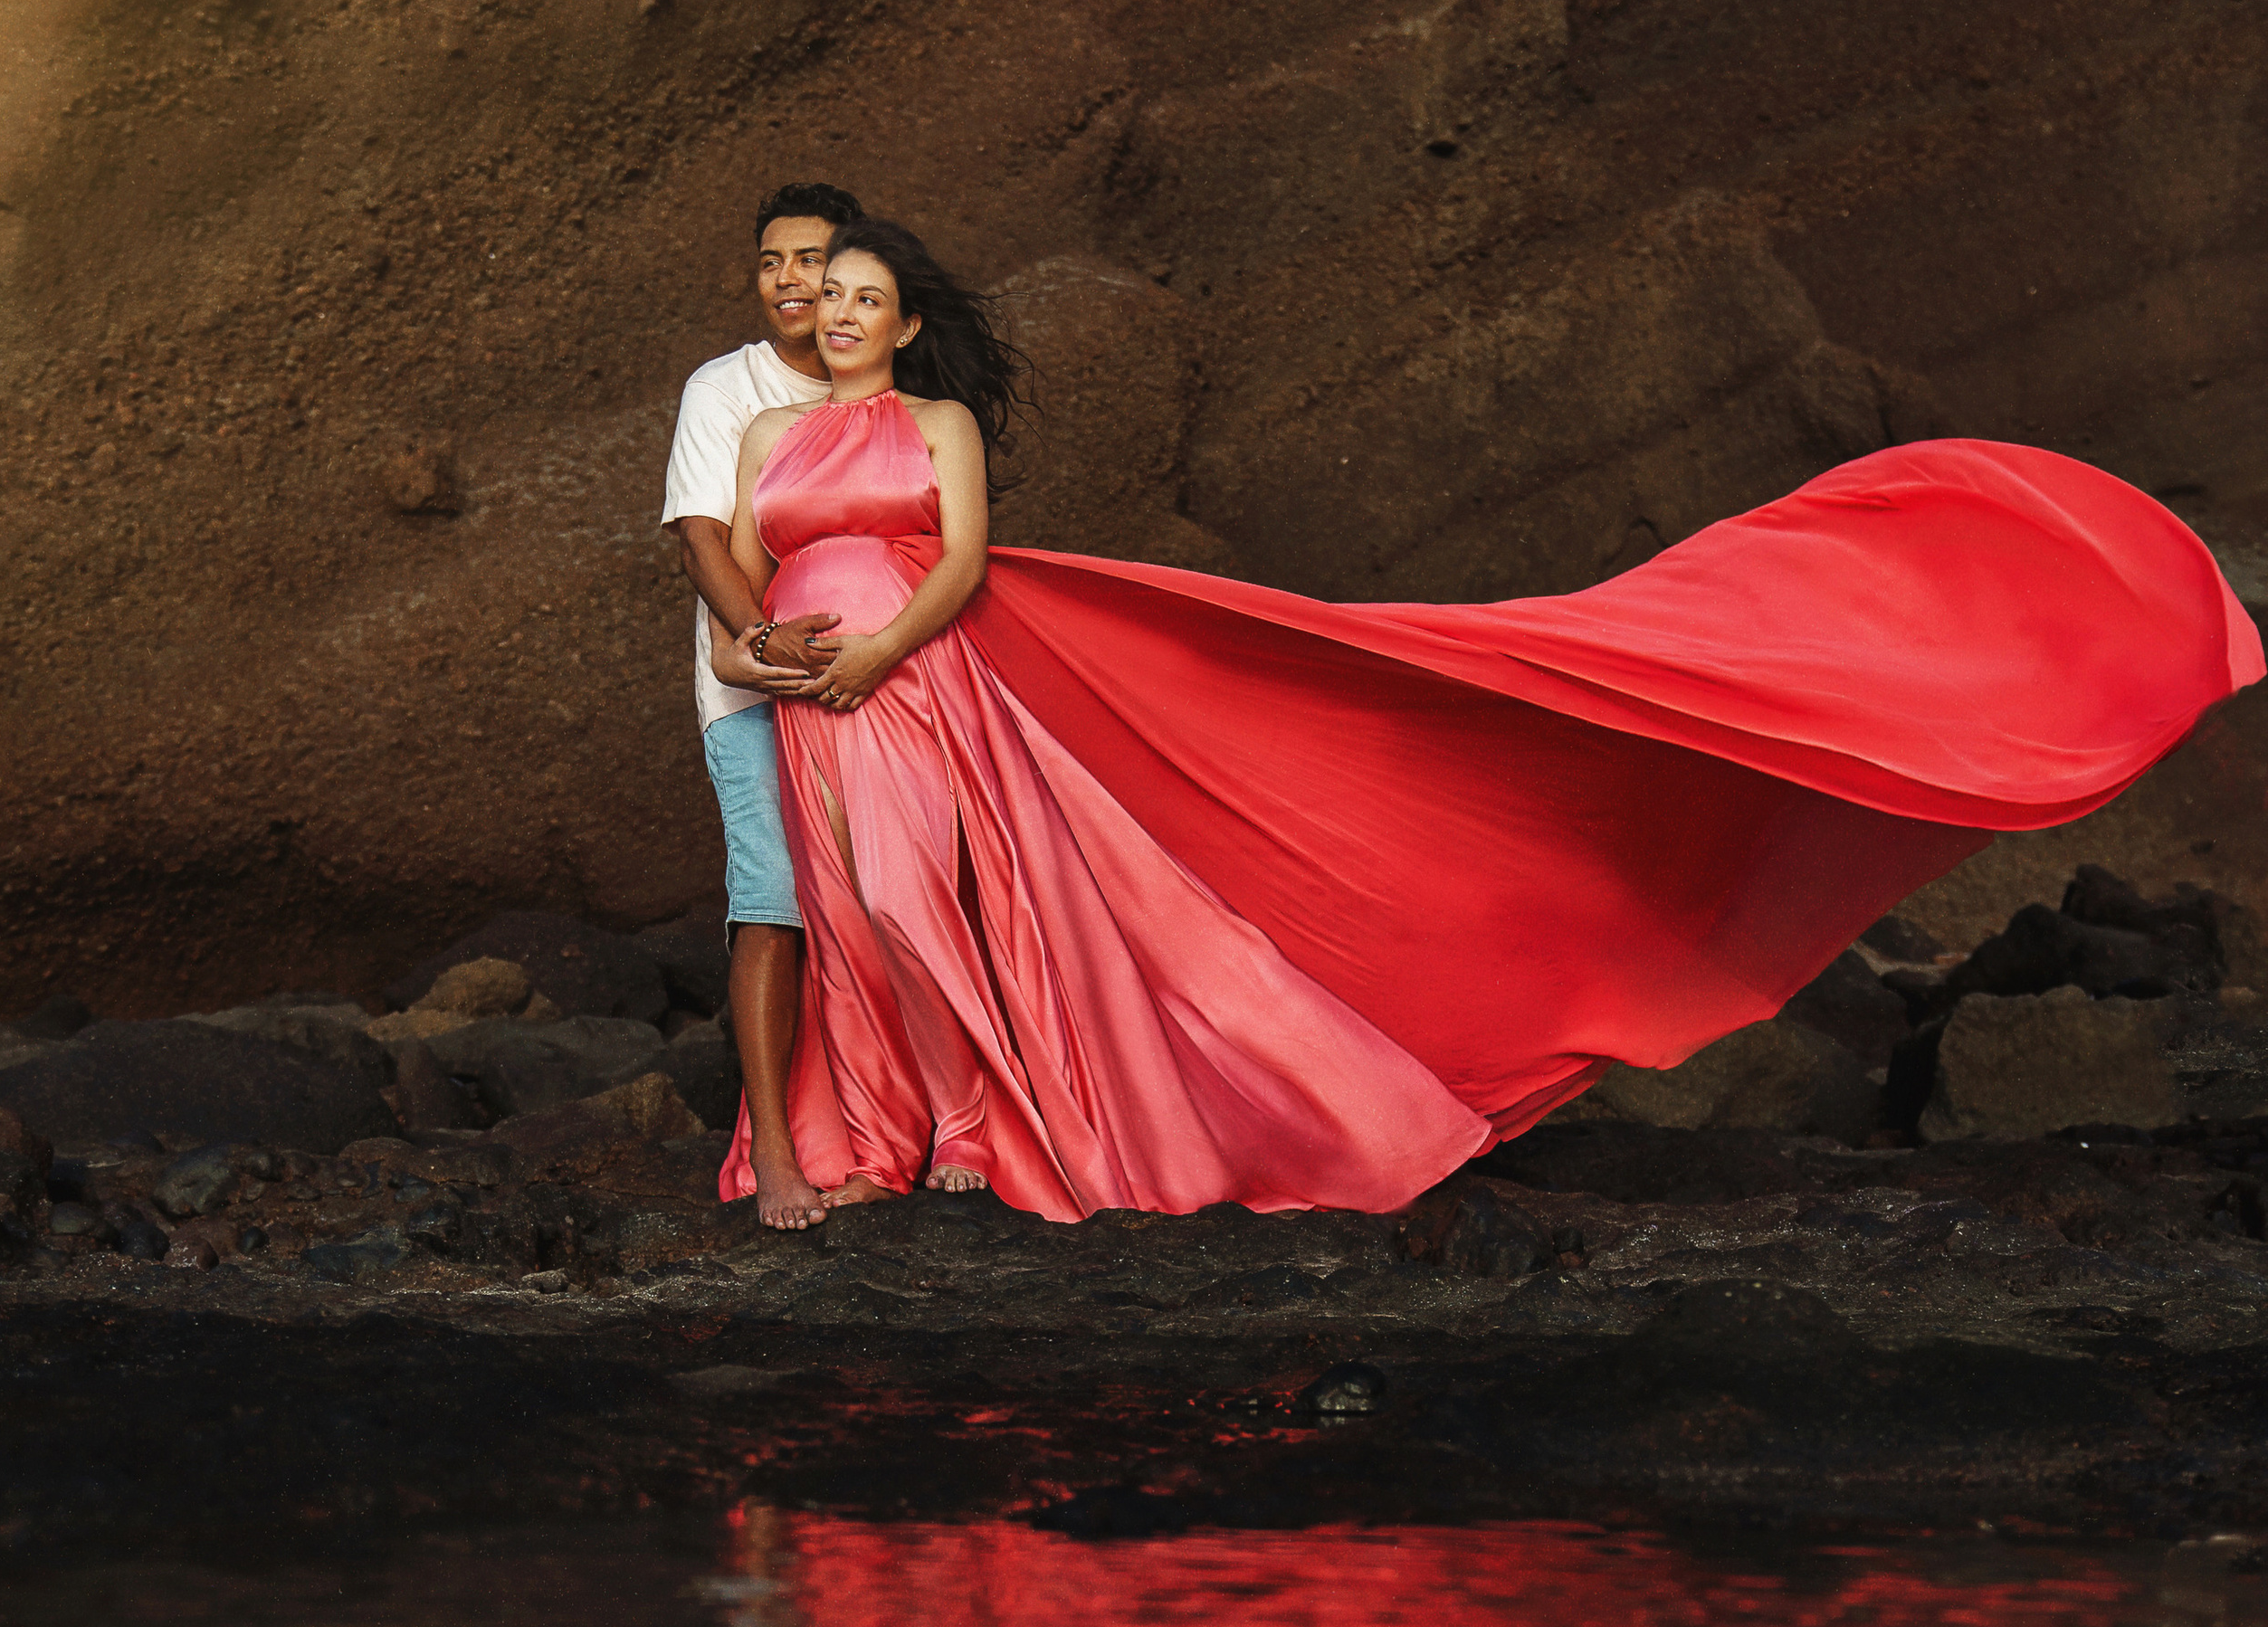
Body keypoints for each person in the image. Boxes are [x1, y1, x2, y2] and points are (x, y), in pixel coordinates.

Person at [715, 217, 2264, 1224]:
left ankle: (983, 1133)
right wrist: (771, 656)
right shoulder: (771, 427)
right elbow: (745, 555)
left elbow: (969, 559)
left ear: (910, 324)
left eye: (867, 298)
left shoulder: (939, 423)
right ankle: (874, 1144)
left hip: (919, 676)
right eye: (824, 298)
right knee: (848, 913)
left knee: (919, 905)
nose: (840, 315)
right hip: (811, 689)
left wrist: (877, 653)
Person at [660, 179, 862, 1229]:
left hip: (874, 687)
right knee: (775, 901)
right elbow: (699, 535)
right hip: (753, 693)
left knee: (889, 905)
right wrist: (757, 640)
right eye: (773, 262)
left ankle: (884, 1134)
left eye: (813, 261)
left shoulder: (875, 380)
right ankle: (777, 1153)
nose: (791, 280)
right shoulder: (722, 390)